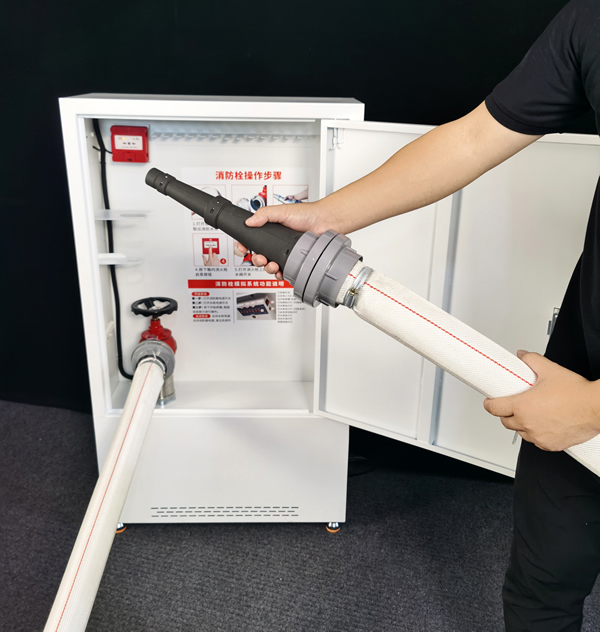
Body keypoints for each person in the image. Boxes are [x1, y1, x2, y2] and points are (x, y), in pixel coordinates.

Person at [237, 1, 600, 629]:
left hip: (583, 398)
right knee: (543, 585)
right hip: (577, 367)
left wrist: (593, 408)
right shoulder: (591, 21)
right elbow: (474, 138)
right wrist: (325, 217)